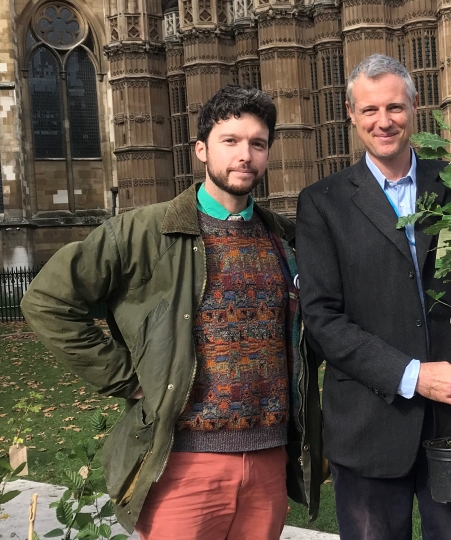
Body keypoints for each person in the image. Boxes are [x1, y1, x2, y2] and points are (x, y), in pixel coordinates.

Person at [20, 85, 322, 540]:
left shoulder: (286, 239)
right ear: (201, 149)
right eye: (230, 141)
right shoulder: (144, 232)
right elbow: (46, 301)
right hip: (181, 464)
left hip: (267, 461)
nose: (245, 155)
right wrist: (125, 377)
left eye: (257, 144)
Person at [296, 54, 451, 540]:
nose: (384, 121)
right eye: (370, 110)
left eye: (395, 107)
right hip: (369, 424)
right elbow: (323, 320)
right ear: (351, 115)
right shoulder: (322, 203)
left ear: (415, 108)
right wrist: (414, 376)